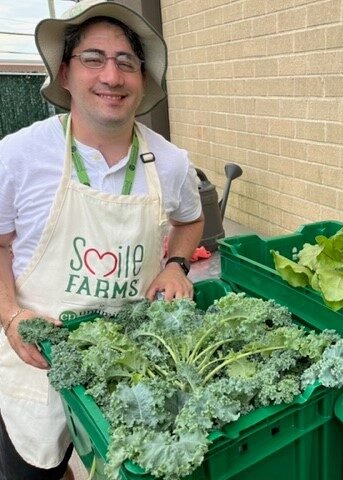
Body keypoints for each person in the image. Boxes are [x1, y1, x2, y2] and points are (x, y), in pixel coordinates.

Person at [0, 1, 204, 478]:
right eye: (93, 58)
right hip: (36, 359)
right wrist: (10, 316)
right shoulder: (17, 156)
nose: (111, 76)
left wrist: (176, 264)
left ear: (141, 81)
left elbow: (191, 221)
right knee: (35, 468)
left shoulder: (170, 163)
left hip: (125, 361)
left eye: (126, 62)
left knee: (111, 463)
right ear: (65, 74)